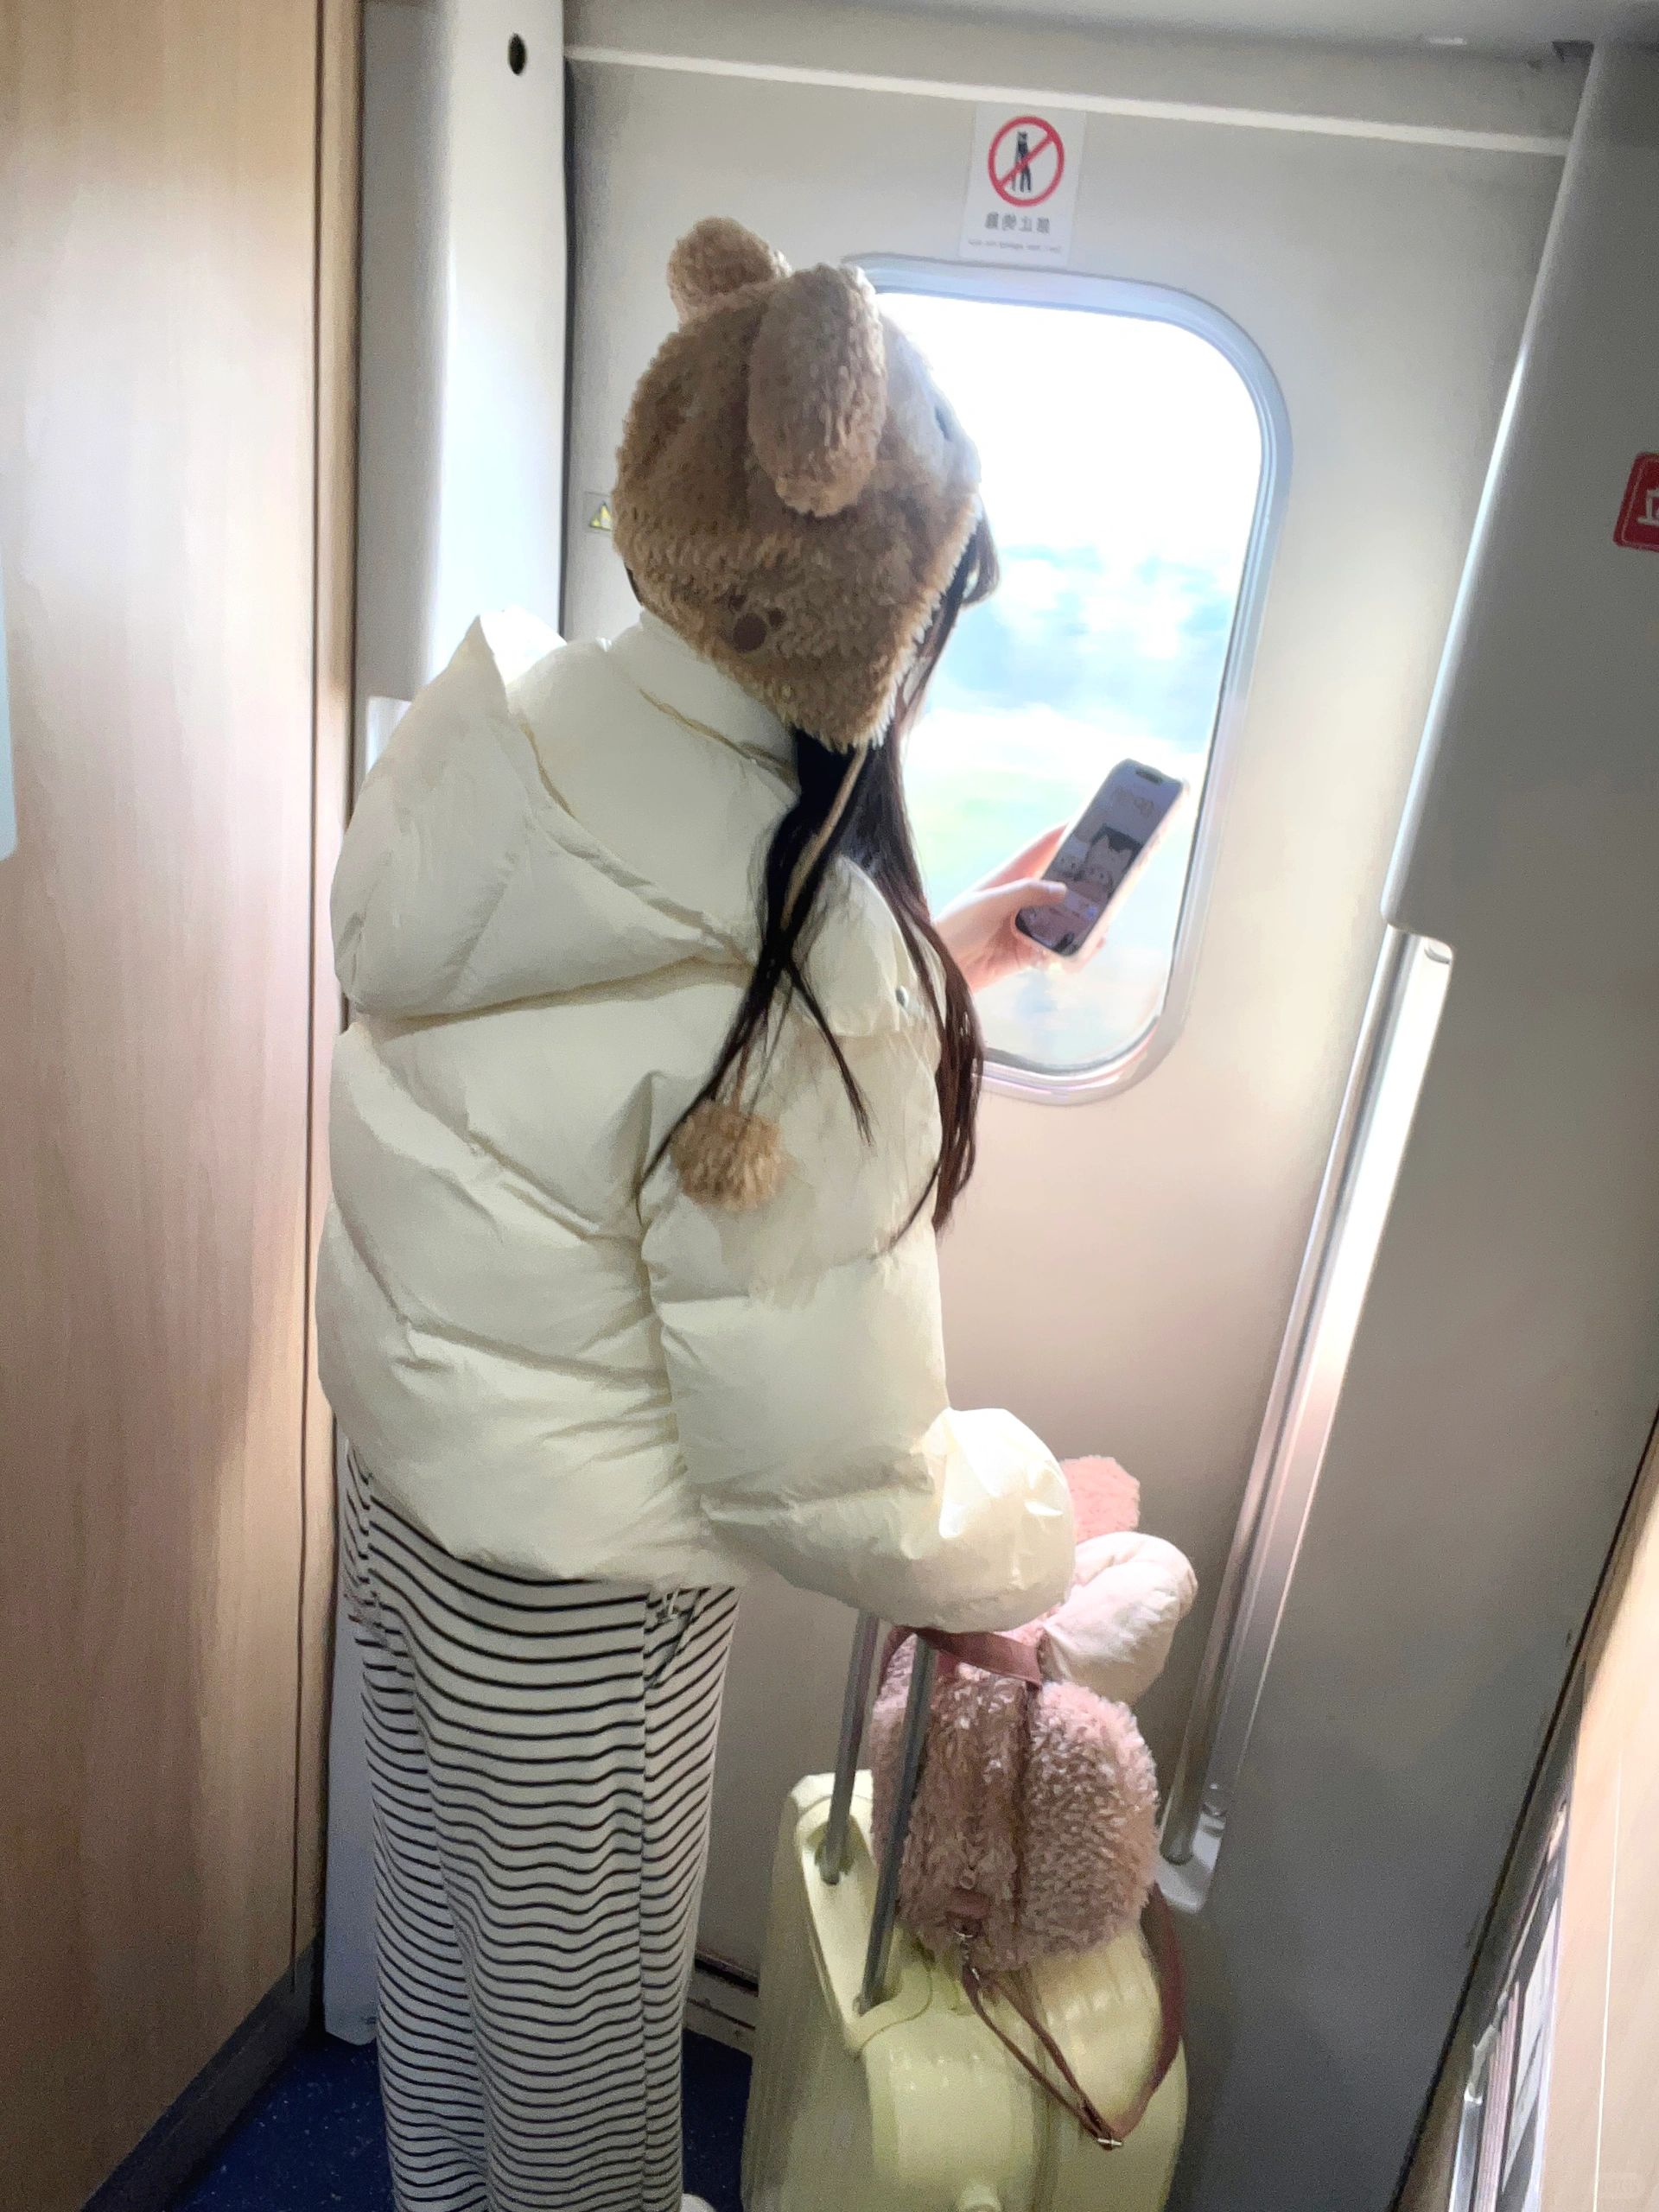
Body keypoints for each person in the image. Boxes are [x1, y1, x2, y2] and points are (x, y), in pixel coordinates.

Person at [316, 219, 1084, 2212]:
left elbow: (585, 1065)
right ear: (874, 619)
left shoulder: (493, 741)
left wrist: (934, 968)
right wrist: (1036, 1524)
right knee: (584, 2100)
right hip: (581, 1604)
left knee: (452, 1990)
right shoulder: (806, 949)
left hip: (409, 1501)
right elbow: (820, 1465)